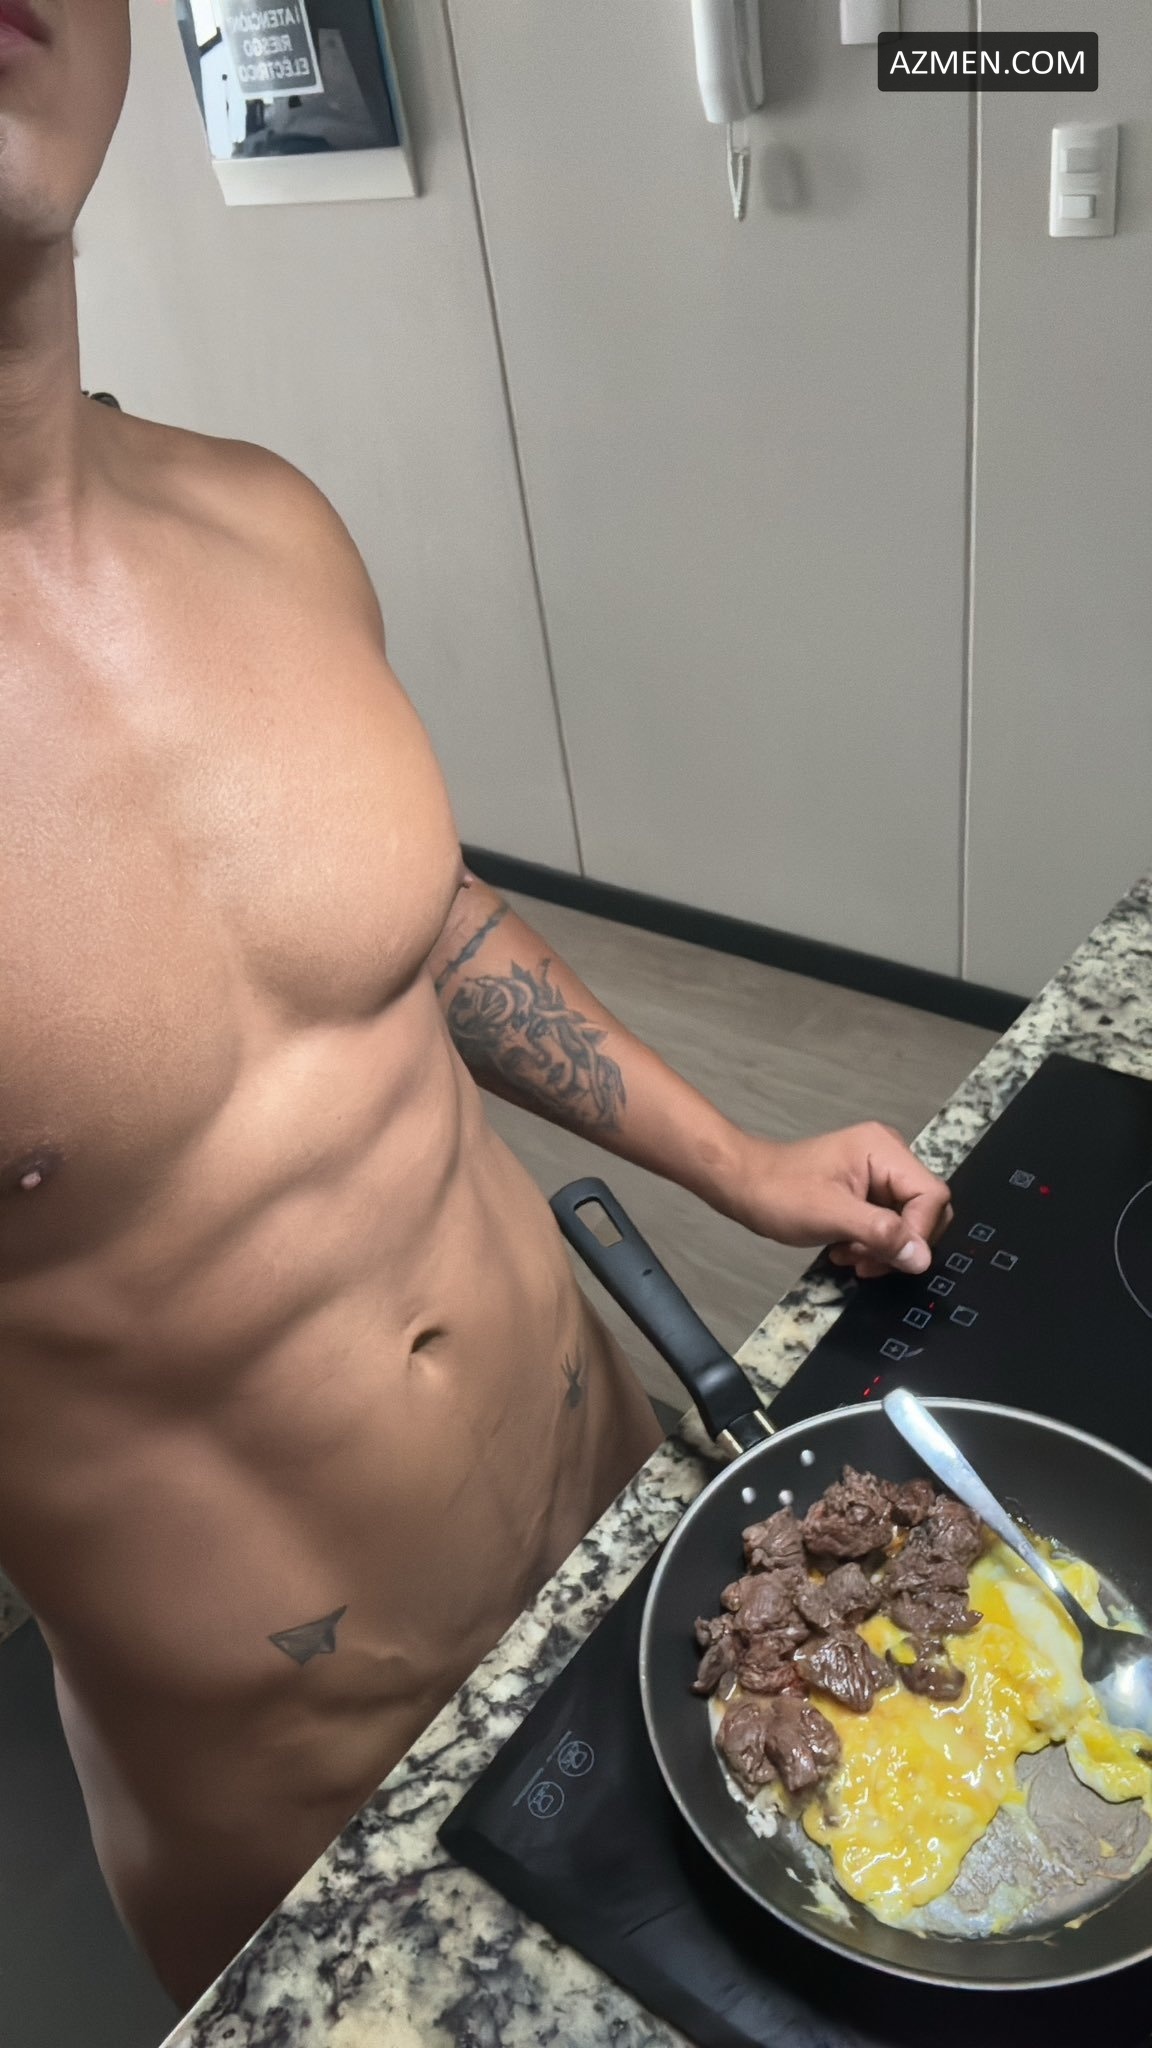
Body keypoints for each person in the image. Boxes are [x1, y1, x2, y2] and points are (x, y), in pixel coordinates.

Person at [0, 0, 952, 2007]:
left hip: (616, 1537)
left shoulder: (265, 519)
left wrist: (739, 1159)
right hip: (304, 1798)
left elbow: (420, 923)